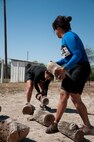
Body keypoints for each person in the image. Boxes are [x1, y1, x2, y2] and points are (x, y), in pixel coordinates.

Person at [46, 15, 93, 134]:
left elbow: (77, 55)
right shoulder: (65, 39)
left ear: (57, 28)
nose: (55, 33)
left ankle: (88, 127)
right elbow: (68, 59)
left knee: (74, 97)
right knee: (63, 94)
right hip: (74, 67)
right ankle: (55, 123)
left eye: (54, 30)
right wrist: (55, 63)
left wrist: (65, 69)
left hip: (79, 68)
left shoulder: (69, 36)